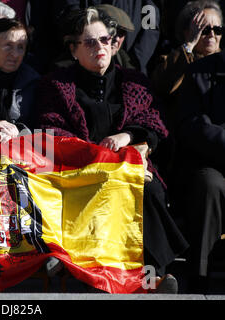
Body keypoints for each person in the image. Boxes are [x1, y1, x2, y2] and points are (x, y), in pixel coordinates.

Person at [36, 7, 189, 292]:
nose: (100, 47)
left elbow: (156, 127)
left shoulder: (134, 82)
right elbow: (51, 129)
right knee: (107, 186)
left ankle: (152, 277)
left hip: (130, 166)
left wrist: (128, 135)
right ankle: (84, 268)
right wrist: (97, 155)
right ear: (73, 50)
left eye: (105, 40)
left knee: (150, 190)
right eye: (90, 42)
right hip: (79, 168)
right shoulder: (56, 85)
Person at [176, 49, 225, 293]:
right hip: (213, 163)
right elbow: (192, 127)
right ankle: (200, 281)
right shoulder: (198, 73)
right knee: (209, 186)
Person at [151, 0, 223, 130]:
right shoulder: (172, 60)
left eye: (217, 29)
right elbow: (163, 87)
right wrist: (189, 44)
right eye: (205, 29)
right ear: (187, 31)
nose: (212, 35)